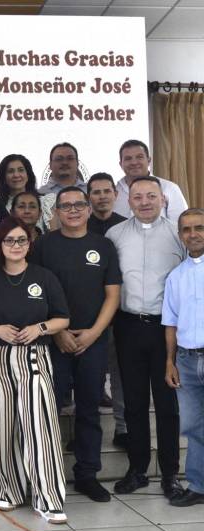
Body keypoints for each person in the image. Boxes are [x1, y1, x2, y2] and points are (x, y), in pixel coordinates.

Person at [30, 187, 121, 502]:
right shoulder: (43, 245)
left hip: (92, 340)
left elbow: (112, 295)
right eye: (65, 206)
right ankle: (47, 473)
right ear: (55, 211)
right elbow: (35, 292)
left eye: (78, 205)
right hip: (52, 340)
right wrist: (57, 332)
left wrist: (95, 332)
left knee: (89, 410)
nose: (72, 210)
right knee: (48, 409)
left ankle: (87, 474)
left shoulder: (104, 245)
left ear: (88, 209)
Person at [0, 217, 70, 523]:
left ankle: (48, 498)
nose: (16, 246)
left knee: (40, 425)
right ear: (0, 245)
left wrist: (40, 328)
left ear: (30, 243)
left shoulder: (45, 277)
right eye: (9, 240)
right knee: (1, 426)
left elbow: (63, 318)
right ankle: (7, 490)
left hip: (35, 356)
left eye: (21, 240)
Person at [107, 176, 185, 498]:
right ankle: (137, 470)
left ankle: (170, 474)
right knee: (135, 403)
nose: (144, 202)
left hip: (166, 329)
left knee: (167, 405)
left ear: (163, 199)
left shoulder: (178, 236)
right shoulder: (114, 235)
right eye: (137, 197)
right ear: (129, 201)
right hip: (128, 326)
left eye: (151, 196)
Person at [163, 208, 204, 507]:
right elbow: (171, 322)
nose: (193, 234)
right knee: (192, 425)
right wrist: (170, 361)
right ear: (180, 236)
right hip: (187, 361)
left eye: (199, 227)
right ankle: (199, 486)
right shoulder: (176, 276)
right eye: (187, 229)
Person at [86, 172, 128, 440]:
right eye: (96, 192)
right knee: (90, 376)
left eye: (106, 191)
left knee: (120, 373)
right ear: (88, 197)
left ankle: (122, 428)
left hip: (122, 312)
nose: (102, 196)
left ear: (115, 194)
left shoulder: (127, 226)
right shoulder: (79, 225)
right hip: (88, 311)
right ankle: (86, 430)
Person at [114, 139, 188, 225]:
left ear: (149, 161)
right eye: (128, 159)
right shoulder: (113, 193)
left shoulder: (169, 188)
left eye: (139, 157)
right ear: (121, 164)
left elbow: (181, 224)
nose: (134, 162)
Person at [0, 154, 37, 224]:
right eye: (10, 171)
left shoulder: (45, 202)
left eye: (21, 170)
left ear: (28, 175)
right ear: (4, 178)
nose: (16, 175)